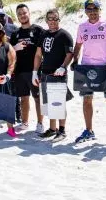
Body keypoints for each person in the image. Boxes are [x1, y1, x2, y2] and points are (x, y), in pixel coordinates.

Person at [72, 0, 106, 146]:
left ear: (99, 10)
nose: (92, 13)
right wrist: (75, 61)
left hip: (104, 68)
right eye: (89, 10)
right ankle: (89, 131)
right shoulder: (82, 27)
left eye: (95, 9)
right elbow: (77, 47)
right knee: (87, 99)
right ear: (85, 12)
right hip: (87, 68)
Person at [32, 8, 75, 140]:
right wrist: (34, 72)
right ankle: (52, 129)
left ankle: (61, 131)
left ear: (58, 19)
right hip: (44, 73)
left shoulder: (65, 35)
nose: (52, 21)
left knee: (58, 103)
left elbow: (70, 54)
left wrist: (63, 67)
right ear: (46, 20)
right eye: (49, 18)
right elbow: (38, 55)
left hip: (58, 75)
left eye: (55, 18)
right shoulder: (43, 35)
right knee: (48, 103)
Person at [9, 3, 45, 133]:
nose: (22, 15)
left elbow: (45, 50)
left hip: (35, 70)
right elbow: (8, 52)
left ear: (29, 13)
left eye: (24, 13)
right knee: (23, 98)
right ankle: (24, 122)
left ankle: (40, 124)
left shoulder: (39, 30)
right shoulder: (15, 34)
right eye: (19, 14)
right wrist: (15, 48)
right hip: (19, 71)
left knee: (37, 97)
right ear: (17, 17)